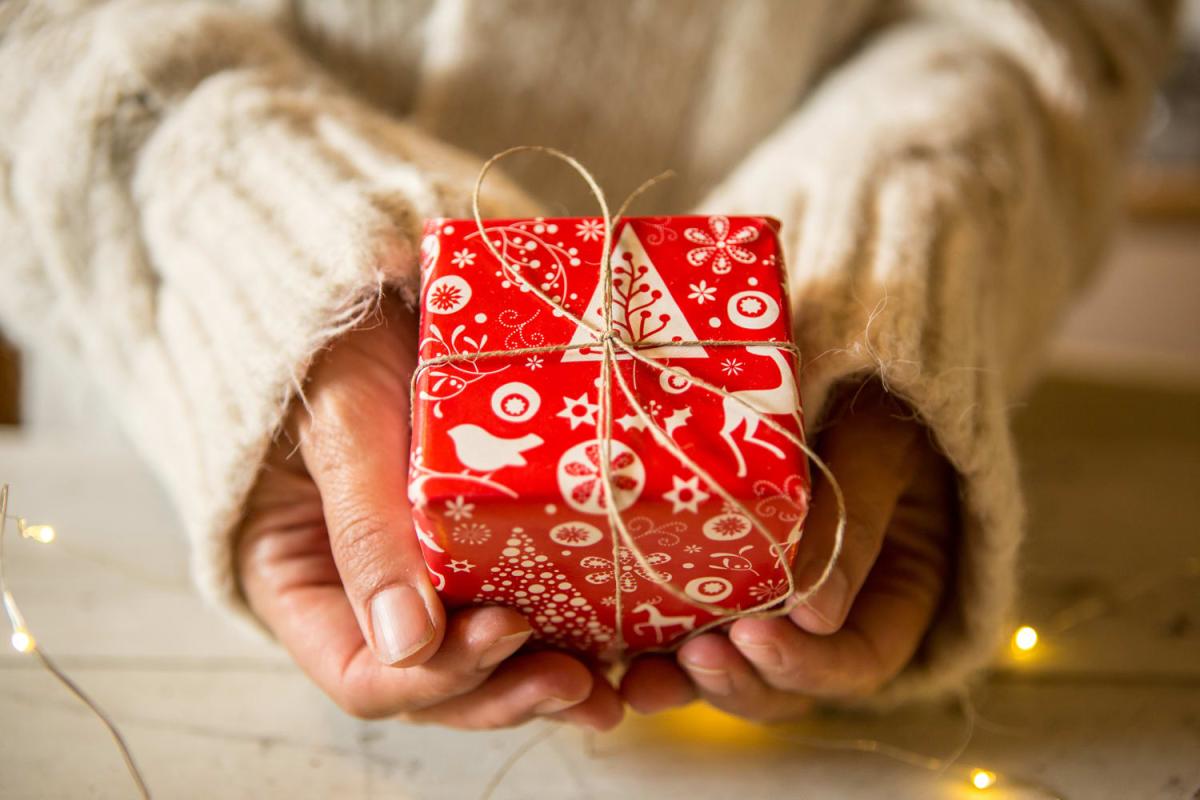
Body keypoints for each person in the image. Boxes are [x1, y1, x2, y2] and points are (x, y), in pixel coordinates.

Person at [0, 0, 1178, 731]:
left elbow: (1074, 23)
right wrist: (246, 249)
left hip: (829, 382)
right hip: (156, 455)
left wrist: (898, 256)